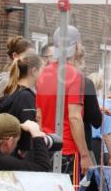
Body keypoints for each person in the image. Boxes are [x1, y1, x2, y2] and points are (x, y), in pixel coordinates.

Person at [35, 26, 92, 180]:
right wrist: (85, 155)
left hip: (46, 146)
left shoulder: (42, 74)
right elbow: (74, 118)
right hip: (68, 150)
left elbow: (38, 116)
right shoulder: (75, 75)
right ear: (77, 47)